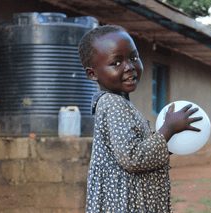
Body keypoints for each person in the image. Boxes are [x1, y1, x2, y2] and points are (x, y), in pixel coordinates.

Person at [78, 25, 202, 212]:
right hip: (125, 204)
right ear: (92, 74)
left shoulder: (120, 104)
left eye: (133, 58)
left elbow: (135, 151)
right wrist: (168, 128)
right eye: (116, 63)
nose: (129, 67)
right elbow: (134, 158)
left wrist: (170, 140)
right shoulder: (113, 104)